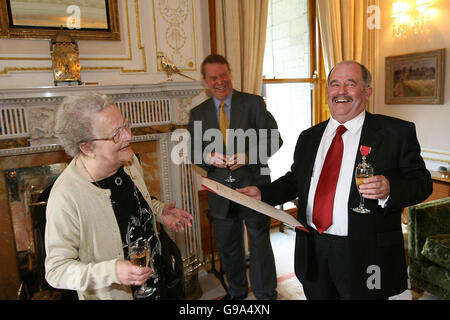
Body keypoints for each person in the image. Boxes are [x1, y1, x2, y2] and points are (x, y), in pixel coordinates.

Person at [238, 61, 432, 300]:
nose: (341, 91)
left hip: (367, 253)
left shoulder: (396, 133)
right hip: (314, 249)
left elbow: (422, 183)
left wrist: (390, 188)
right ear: (327, 91)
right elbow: (295, 180)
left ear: (367, 92)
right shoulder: (309, 137)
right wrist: (262, 193)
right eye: (335, 84)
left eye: (350, 84)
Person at [45, 92, 193, 300]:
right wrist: (112, 271)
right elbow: (56, 271)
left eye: (125, 126)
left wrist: (159, 211)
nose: (128, 136)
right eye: (116, 134)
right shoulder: (65, 197)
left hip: (161, 284)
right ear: (87, 148)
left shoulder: (129, 162)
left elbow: (137, 204)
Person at [188, 54, 282, 300]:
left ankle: (265, 295)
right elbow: (193, 151)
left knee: (260, 244)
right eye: (213, 78)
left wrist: (249, 156)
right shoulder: (197, 113)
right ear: (205, 81)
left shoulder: (253, 103)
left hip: (254, 186)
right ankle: (238, 293)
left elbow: (275, 139)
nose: (219, 81)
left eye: (223, 75)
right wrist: (208, 158)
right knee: (228, 248)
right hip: (220, 192)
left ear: (230, 73)